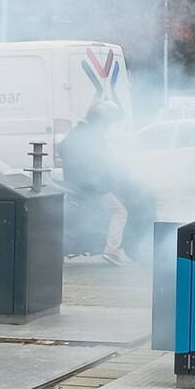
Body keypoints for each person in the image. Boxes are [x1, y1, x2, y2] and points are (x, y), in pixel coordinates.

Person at [59, 100, 129, 266]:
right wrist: (108, 182)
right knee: (120, 211)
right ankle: (112, 251)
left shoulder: (78, 133)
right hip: (89, 187)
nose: (108, 127)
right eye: (108, 123)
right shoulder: (92, 138)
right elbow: (93, 167)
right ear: (100, 121)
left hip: (77, 184)